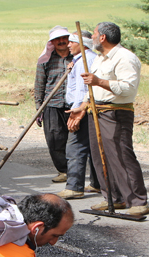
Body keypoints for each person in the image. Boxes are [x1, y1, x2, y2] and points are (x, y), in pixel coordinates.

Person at [67, 22, 149, 216]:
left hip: (116, 112)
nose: (93, 37)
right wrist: (82, 107)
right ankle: (114, 198)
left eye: (95, 34)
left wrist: (99, 81)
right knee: (99, 156)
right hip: (96, 111)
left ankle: (137, 201)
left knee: (121, 155)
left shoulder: (125, 58)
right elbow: (93, 89)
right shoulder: (99, 59)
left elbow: (128, 88)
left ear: (103, 37)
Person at [57, 29, 101, 200]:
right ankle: (97, 184)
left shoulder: (85, 60)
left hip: (81, 108)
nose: (68, 45)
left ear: (82, 44)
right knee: (91, 147)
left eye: (72, 42)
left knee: (75, 147)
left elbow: (84, 89)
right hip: (84, 106)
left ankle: (75, 187)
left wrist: (79, 111)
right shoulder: (81, 60)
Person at [35, 25, 73, 183]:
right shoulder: (45, 60)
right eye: (58, 39)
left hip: (74, 104)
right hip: (52, 104)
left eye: (65, 38)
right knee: (54, 139)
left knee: (75, 140)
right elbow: (39, 84)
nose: (62, 41)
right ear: (52, 42)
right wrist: (39, 107)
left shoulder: (76, 57)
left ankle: (77, 170)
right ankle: (64, 171)